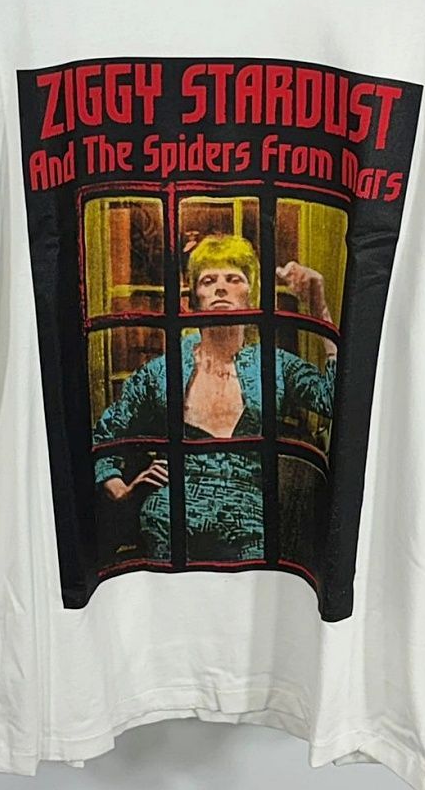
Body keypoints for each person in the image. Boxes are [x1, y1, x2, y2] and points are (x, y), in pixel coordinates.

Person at [92, 234, 337, 562]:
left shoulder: (272, 365)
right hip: (170, 515)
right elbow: (105, 437)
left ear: (250, 296)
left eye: (233, 278)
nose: (221, 287)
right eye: (208, 280)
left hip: (250, 519)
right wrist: (120, 491)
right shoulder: (163, 371)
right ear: (193, 299)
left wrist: (319, 308)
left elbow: (334, 400)